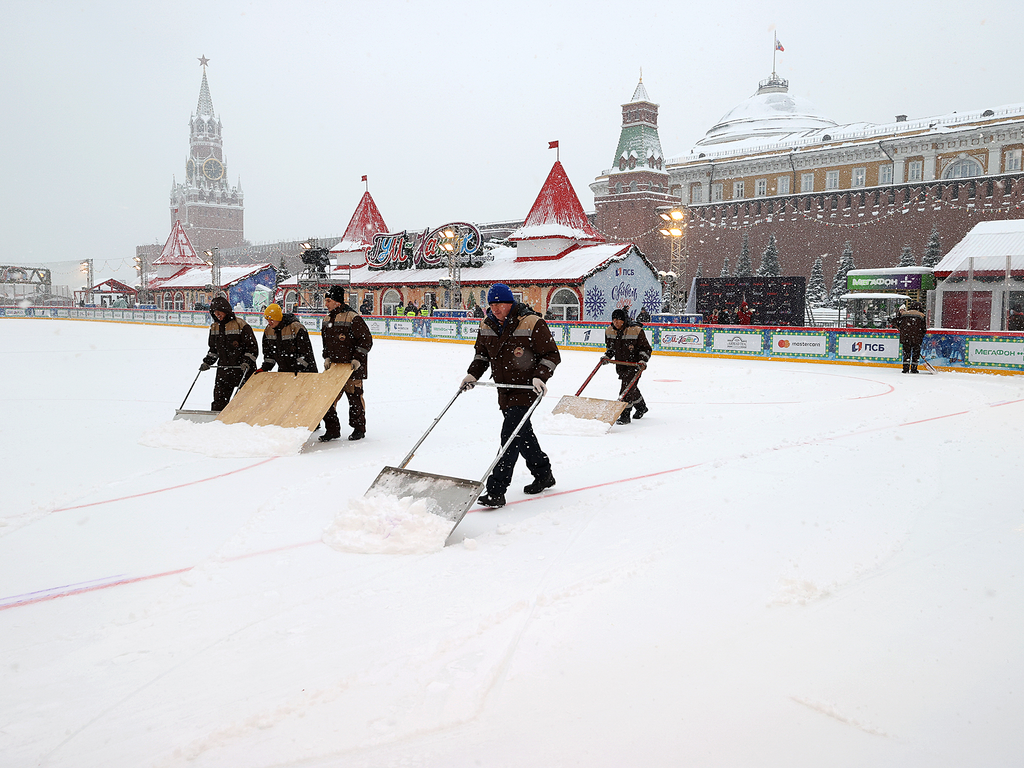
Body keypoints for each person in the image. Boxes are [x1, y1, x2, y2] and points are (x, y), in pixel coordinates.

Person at [460, 283, 560, 508]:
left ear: (510, 303)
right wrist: (471, 375)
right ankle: (543, 474)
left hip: (526, 389)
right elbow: (481, 356)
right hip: (504, 390)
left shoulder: (531, 322)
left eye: (500, 304)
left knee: (509, 437)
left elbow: (552, 355)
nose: (496, 308)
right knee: (522, 434)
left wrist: (540, 377)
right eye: (492, 304)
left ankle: (496, 490)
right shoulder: (486, 324)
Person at [320, 285, 373, 441]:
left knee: (355, 399)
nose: (326, 304)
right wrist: (327, 357)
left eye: (329, 301)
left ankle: (359, 429)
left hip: (351, 368)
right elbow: (326, 342)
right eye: (326, 301)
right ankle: (332, 430)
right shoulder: (327, 319)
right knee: (327, 399)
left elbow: (366, 340)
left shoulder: (352, 317)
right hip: (335, 368)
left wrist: (357, 358)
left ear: (337, 302)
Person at [199, 295, 259, 411]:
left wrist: (247, 362)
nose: (217, 315)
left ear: (226, 310)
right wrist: (208, 362)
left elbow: (252, 348)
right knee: (219, 400)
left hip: (242, 369)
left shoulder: (241, 325)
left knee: (243, 401)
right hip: (224, 370)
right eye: (215, 313)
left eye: (219, 312)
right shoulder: (214, 327)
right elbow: (213, 350)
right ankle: (217, 422)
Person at [601, 307, 652, 424]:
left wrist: (642, 360)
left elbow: (646, 348)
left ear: (624, 320)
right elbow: (611, 348)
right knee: (631, 387)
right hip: (621, 365)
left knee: (626, 388)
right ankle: (641, 407)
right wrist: (607, 356)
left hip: (635, 365)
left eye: (619, 320)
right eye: (614, 320)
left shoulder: (636, 330)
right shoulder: (610, 331)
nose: (616, 323)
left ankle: (624, 415)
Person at [256, 303, 317, 374]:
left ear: (277, 318)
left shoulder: (296, 328)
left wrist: (297, 369)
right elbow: (269, 355)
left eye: (271, 319)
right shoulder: (268, 331)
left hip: (304, 373)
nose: (269, 322)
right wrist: (265, 368)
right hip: (285, 373)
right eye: (267, 320)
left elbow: (306, 354)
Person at [890, 300, 927, 373]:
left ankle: (905, 369)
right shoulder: (921, 315)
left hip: (905, 337)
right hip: (917, 338)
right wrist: (921, 335)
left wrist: (901, 329)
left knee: (906, 353)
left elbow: (895, 322)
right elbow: (924, 328)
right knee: (916, 354)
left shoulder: (904, 314)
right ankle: (914, 368)